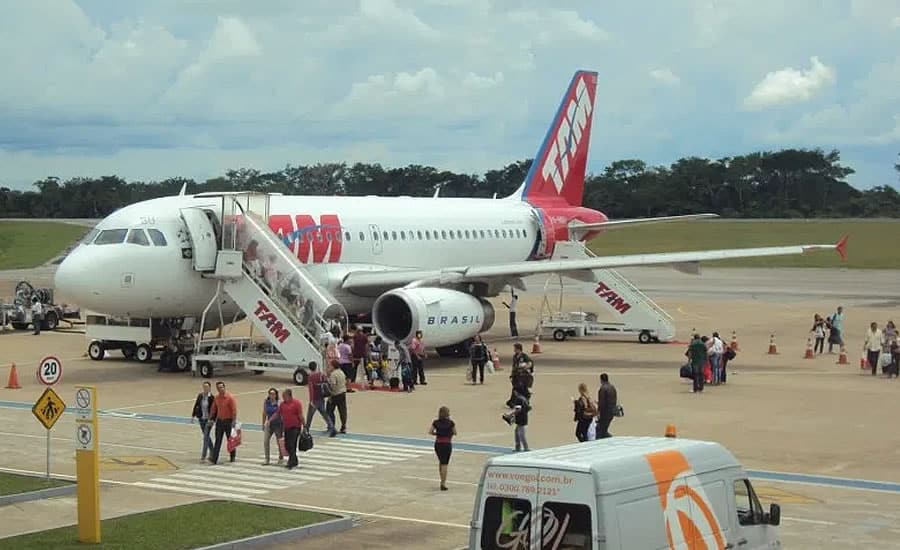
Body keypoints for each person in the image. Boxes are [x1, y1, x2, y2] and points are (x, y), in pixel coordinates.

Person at [274, 388, 305, 470]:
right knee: (288, 445)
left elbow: (300, 415)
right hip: (287, 427)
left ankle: (291, 462)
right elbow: (277, 413)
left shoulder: (297, 403)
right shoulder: (282, 404)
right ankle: (294, 460)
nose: (283, 398)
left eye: (284, 396)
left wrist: (305, 426)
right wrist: (269, 421)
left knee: (292, 445)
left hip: (295, 427)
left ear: (289, 396)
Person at [208, 381, 238, 464]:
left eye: (221, 387)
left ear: (224, 387)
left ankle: (232, 456)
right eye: (218, 388)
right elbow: (213, 409)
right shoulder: (217, 398)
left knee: (230, 440)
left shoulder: (230, 398)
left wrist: (234, 421)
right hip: (220, 421)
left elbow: (234, 410)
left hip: (228, 421)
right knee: (218, 440)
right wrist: (210, 419)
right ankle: (214, 459)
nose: (220, 389)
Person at [429, 406, 457, 491]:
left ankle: (441, 479)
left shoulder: (436, 422)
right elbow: (455, 432)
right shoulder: (451, 423)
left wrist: (437, 434)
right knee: (445, 463)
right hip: (447, 443)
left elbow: (430, 432)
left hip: (438, 444)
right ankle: (443, 483)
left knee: (441, 462)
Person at [306, 362, 337, 437]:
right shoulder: (321, 375)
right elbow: (327, 383)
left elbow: (311, 390)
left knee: (310, 415)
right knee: (324, 413)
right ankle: (332, 427)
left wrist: (311, 400)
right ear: (316, 367)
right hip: (321, 397)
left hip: (315, 398)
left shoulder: (310, 377)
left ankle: (306, 429)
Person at [190, 381, 214, 463]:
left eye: (207, 387)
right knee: (206, 436)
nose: (205, 388)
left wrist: (213, 419)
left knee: (206, 436)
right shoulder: (200, 396)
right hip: (201, 419)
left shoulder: (212, 397)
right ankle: (212, 450)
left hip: (209, 420)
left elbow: (214, 409)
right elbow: (196, 405)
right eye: (204, 387)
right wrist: (193, 416)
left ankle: (203, 455)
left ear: (210, 388)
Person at [261, 388, 284, 465]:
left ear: (276, 395)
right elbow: (264, 412)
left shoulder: (279, 403)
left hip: (278, 424)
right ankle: (267, 459)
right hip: (269, 424)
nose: (272, 395)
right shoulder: (266, 402)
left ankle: (281, 456)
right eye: (270, 393)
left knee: (279, 441)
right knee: (265, 441)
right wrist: (263, 423)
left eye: (273, 394)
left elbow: (281, 414)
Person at [325, 361, 348, 433]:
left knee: (329, 410)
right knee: (342, 411)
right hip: (342, 393)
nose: (329, 368)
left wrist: (330, 393)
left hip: (335, 394)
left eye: (330, 366)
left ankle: (332, 426)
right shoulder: (341, 372)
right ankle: (343, 426)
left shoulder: (333, 374)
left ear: (333, 366)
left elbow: (333, 386)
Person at [596, 373, 618, 439]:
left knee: (600, 431)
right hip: (612, 412)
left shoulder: (603, 389)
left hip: (605, 413)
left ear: (601, 380)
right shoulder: (612, 387)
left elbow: (602, 403)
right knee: (603, 430)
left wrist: (598, 412)